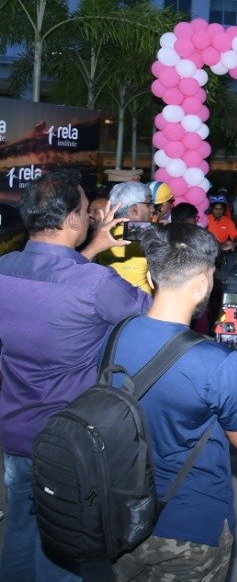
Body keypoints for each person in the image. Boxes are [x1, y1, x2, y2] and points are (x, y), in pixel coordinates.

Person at [0, 168, 150, 581]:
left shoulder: (6, 267)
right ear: (71, 220)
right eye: (86, 211)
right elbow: (151, 315)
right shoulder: (97, 282)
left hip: (14, 429)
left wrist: (92, 249)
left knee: (20, 528)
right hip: (70, 441)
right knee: (66, 547)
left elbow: (53, 283)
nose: (90, 218)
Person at [111, 223, 237, 581]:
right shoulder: (217, 363)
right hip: (191, 526)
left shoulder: (112, 336)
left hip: (119, 516)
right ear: (204, 283)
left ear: (151, 276)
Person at [102, 179, 155, 294]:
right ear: (135, 209)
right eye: (149, 204)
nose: (152, 209)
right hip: (141, 303)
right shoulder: (146, 232)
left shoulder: (104, 232)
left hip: (109, 300)